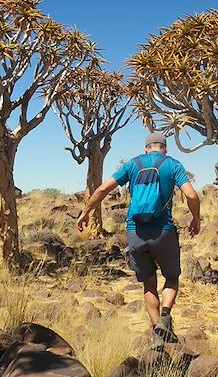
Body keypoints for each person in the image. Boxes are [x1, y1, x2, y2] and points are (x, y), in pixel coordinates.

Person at [77, 132, 201, 348]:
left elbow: (103, 189)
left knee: (148, 284)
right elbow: (191, 195)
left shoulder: (133, 164)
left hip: (136, 232)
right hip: (163, 230)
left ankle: (157, 337)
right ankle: (165, 317)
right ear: (165, 148)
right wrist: (196, 219)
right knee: (171, 278)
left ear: (146, 148)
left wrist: (86, 211)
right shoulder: (172, 164)